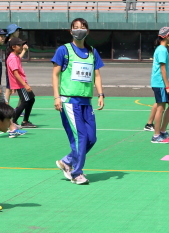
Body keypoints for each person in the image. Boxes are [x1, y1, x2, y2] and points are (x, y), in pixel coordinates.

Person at [52, 18, 105, 185]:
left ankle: (67, 161)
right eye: (75, 28)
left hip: (86, 102)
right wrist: (56, 97)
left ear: (87, 31)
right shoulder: (64, 50)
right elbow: (55, 75)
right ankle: (77, 172)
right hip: (69, 101)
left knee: (91, 138)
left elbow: (96, 75)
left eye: (82, 28)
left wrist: (101, 94)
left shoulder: (92, 52)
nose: (79, 30)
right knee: (80, 137)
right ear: (70, 31)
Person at [0, 27, 24, 139]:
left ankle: (12, 129)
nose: (3, 38)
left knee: (5, 105)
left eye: (3, 36)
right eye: (0, 36)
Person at [149, 27, 169, 144]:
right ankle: (156, 135)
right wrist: (167, 86)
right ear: (167, 36)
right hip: (160, 84)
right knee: (161, 108)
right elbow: (163, 69)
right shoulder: (162, 50)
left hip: (163, 83)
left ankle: (163, 131)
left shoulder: (164, 49)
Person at [7, 36, 37, 129]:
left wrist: (24, 50)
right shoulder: (12, 58)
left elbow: (18, 59)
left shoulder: (15, 56)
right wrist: (25, 85)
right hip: (20, 84)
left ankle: (25, 121)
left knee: (31, 99)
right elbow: (15, 73)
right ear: (13, 47)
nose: (21, 46)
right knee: (25, 101)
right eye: (19, 45)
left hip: (21, 83)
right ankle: (13, 121)